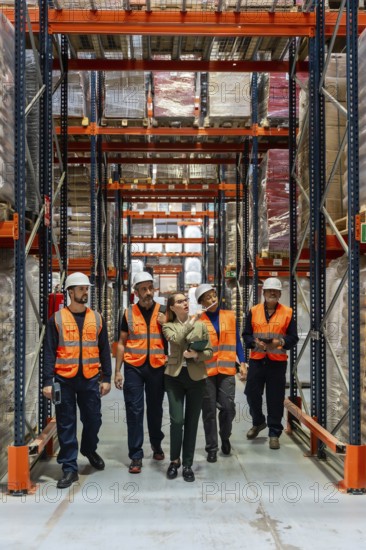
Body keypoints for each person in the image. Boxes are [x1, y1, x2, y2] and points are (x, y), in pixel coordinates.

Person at [43, 272, 112, 489]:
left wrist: (107, 377)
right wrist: (47, 381)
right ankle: (69, 468)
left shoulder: (97, 318)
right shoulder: (56, 319)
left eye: (87, 289)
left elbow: (104, 349)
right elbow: (49, 352)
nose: (85, 292)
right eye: (81, 289)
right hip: (64, 379)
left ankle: (89, 449)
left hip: (90, 378)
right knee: (66, 423)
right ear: (70, 292)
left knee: (93, 419)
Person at [114, 272, 167, 474]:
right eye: (143, 289)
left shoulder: (163, 311)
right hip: (134, 367)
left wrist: (167, 323)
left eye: (150, 288)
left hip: (156, 367)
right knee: (134, 411)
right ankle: (136, 455)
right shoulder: (128, 314)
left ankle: (156, 443)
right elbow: (121, 343)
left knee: (155, 409)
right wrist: (117, 371)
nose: (147, 292)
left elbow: (173, 338)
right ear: (135, 292)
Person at [242, 277, 299, 450]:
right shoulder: (253, 311)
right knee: (251, 393)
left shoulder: (287, 312)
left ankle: (274, 432)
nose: (272, 293)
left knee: (274, 399)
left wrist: (279, 342)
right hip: (257, 360)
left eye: (275, 291)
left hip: (277, 363)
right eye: (269, 291)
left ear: (280, 294)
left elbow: (293, 338)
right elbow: (246, 335)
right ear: (263, 293)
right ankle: (258, 422)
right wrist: (254, 343)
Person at [162, 292, 213, 482]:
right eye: (180, 301)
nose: (185, 303)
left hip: (196, 378)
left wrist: (197, 356)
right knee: (177, 421)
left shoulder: (201, 325)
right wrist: (191, 321)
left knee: (192, 423)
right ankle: (174, 461)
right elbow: (176, 340)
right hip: (174, 377)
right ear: (172, 307)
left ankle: (187, 464)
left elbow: (209, 351)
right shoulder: (168, 325)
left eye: (186, 300)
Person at [195, 284, 247, 463]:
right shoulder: (198, 320)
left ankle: (225, 435)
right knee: (208, 411)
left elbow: (237, 342)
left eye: (214, 295)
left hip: (226, 370)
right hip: (206, 371)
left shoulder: (229, 316)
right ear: (201, 302)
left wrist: (243, 361)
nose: (213, 299)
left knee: (228, 407)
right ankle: (212, 447)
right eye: (208, 297)